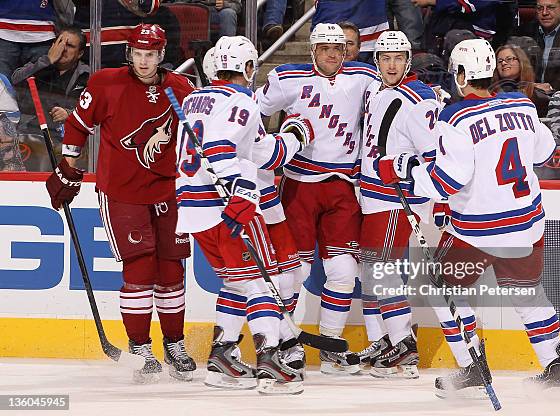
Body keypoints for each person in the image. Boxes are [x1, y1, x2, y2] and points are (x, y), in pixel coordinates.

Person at [377, 38, 560, 397]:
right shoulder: (522, 104)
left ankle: (470, 367)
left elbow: (445, 183)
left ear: (464, 74)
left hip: (481, 230)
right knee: (526, 292)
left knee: (440, 290)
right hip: (528, 224)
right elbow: (545, 153)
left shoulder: (455, 117)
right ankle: (556, 366)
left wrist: (405, 169)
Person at [44, 23, 197, 384]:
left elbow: (196, 134)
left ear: (161, 56)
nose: (144, 62)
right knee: (140, 269)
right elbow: (78, 126)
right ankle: (140, 346)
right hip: (122, 192)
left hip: (168, 190)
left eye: (151, 55)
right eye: (139, 54)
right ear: (131, 54)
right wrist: (69, 164)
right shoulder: (105, 83)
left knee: (172, 271)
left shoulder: (180, 88)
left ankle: (174, 343)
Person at [176, 35, 308, 394]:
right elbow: (222, 150)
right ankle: (270, 362)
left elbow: (254, 151)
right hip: (228, 208)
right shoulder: (242, 101)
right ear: (249, 68)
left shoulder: (192, 99)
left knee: (237, 281)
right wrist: (244, 192)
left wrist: (290, 141)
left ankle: (222, 357)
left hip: (193, 208)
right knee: (263, 283)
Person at [257, 23, 378, 375]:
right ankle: (286, 345)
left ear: (346, 51)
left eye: (338, 49)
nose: (332, 55)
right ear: (312, 50)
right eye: (325, 48)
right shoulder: (286, 77)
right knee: (296, 271)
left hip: (342, 185)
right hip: (299, 185)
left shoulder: (363, 77)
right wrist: (264, 151)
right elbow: (255, 113)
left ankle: (330, 347)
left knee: (343, 271)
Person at [357, 30, 443, 378]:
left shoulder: (416, 98)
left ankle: (403, 347)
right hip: (374, 195)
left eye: (398, 58)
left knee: (381, 271)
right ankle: (390, 341)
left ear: (408, 61)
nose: (391, 65)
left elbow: (433, 156)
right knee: (375, 271)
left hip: (393, 198)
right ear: (376, 61)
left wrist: (409, 175)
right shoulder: (381, 92)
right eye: (385, 58)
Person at [12, 26, 89, 141]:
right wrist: (47, 60)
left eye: (70, 46)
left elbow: (93, 110)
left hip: (67, 137)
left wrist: (70, 114)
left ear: (80, 54)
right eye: (60, 43)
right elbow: (14, 82)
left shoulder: (87, 75)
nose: (63, 48)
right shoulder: (40, 63)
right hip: (31, 134)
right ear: (53, 45)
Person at [491, 44, 550, 117]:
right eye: (500, 61)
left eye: (509, 59)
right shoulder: (489, 95)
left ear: (521, 61)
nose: (503, 63)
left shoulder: (539, 97)